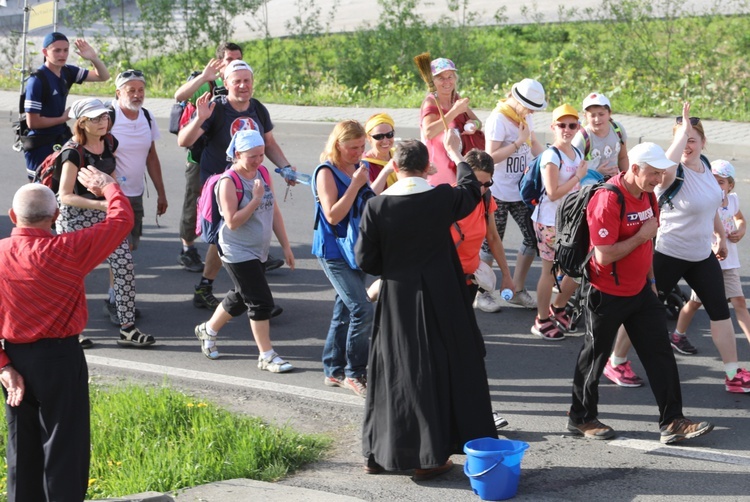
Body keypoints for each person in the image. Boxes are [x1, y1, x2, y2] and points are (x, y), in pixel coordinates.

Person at [356, 136, 496, 478]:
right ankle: (429, 457)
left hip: (397, 298)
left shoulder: (376, 207)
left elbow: (366, 260)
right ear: (425, 167)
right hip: (441, 295)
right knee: (438, 370)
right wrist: (454, 152)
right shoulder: (441, 198)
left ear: (395, 166)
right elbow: (470, 187)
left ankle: (378, 454)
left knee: (394, 372)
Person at [568, 142, 715, 444]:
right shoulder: (607, 200)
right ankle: (581, 418)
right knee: (594, 358)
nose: (658, 180)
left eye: (661, 173)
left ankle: (672, 420)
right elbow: (603, 256)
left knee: (661, 356)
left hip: (641, 291)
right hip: (605, 293)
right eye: (653, 173)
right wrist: (640, 235)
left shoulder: (648, 195)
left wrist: (651, 282)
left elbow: (649, 243)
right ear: (634, 169)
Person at [0, 168, 133, 501]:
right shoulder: (69, 250)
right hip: (61, 357)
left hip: (15, 357)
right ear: (56, 215)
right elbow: (121, 222)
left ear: (13, 215)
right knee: (64, 448)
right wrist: (110, 188)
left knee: (21, 447)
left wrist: (4, 366)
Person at [178, 59, 294, 311]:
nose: (243, 86)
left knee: (247, 232)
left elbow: (269, 143)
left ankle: (244, 291)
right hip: (223, 183)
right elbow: (184, 141)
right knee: (225, 237)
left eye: (247, 81)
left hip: (252, 178)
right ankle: (230, 290)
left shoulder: (258, 109)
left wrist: (285, 166)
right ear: (227, 83)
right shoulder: (216, 108)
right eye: (237, 81)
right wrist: (199, 119)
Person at [655, 103, 750, 393]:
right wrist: (681, 134)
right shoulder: (671, 172)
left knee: (720, 312)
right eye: (682, 139)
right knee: (642, 309)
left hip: (700, 255)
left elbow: (712, 206)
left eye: (692, 139)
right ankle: (617, 360)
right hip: (669, 253)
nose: (687, 145)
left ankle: (733, 374)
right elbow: (667, 164)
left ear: (703, 142)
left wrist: (720, 236)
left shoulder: (706, 166)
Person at [56, 98, 155, 348]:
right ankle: (72, 329)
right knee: (74, 276)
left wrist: (112, 193)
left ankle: (128, 329)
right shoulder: (72, 152)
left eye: (105, 117)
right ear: (82, 123)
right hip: (74, 217)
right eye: (96, 118)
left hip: (104, 214)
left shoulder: (109, 141)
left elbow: (109, 173)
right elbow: (64, 195)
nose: (104, 121)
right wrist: (103, 203)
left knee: (124, 265)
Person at [194, 130, 295, 371]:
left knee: (240, 297)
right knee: (260, 302)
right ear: (237, 154)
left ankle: (207, 330)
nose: (259, 160)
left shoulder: (262, 172)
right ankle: (266, 355)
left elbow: (275, 212)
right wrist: (255, 200)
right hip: (236, 250)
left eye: (261, 154)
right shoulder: (228, 182)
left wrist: (286, 246)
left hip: (258, 249)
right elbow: (232, 222)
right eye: (253, 156)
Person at [312, 120, 374, 398]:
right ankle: (354, 372)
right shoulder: (326, 172)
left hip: (356, 250)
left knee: (345, 310)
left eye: (362, 146)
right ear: (338, 144)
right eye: (352, 147)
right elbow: (332, 215)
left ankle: (333, 370)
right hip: (334, 251)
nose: (358, 152)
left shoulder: (358, 168)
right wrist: (356, 184)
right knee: (362, 309)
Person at [104, 69, 167, 324]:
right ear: (118, 93)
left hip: (136, 195)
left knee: (128, 248)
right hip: (111, 196)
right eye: (131, 90)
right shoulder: (108, 117)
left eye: (141, 90)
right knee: (119, 250)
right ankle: (114, 299)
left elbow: (151, 157)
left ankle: (118, 296)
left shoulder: (147, 117)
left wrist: (161, 192)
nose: (137, 94)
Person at [174, 42, 243, 274]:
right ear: (219, 62)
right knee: (195, 199)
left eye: (237, 58)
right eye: (229, 59)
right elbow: (179, 96)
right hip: (200, 154)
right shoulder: (207, 82)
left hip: (230, 158)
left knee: (236, 199)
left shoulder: (239, 81)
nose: (234, 62)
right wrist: (204, 77)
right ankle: (188, 248)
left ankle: (240, 247)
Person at [480, 78, 547, 312]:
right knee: (490, 243)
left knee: (533, 238)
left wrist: (551, 160)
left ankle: (517, 291)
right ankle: (484, 293)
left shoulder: (524, 116)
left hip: (521, 191)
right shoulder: (498, 119)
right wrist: (518, 142)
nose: (531, 112)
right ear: (516, 99)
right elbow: (490, 157)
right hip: (497, 192)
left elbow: (535, 143)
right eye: (529, 107)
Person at [673, 159, 750, 356]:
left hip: (730, 261)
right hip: (707, 262)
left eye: (721, 182)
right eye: (713, 180)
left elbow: (740, 218)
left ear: (730, 185)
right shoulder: (706, 201)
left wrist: (740, 230)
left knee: (740, 302)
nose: (716, 185)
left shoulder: (732, 201)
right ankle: (678, 335)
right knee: (695, 303)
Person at [530, 104, 588, 340]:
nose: (567, 129)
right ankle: (542, 320)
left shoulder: (577, 152)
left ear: (578, 127)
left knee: (576, 267)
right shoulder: (551, 155)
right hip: (548, 221)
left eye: (572, 125)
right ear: (553, 127)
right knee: (549, 270)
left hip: (569, 221)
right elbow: (553, 193)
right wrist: (578, 177)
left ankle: (559, 307)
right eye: (561, 125)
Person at [22, 32, 109, 179]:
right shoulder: (37, 80)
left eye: (65, 50)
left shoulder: (68, 71)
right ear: (45, 52)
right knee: (43, 190)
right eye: (57, 50)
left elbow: (103, 76)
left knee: (67, 185)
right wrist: (62, 118)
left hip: (61, 138)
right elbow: (33, 122)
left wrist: (93, 58)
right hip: (40, 143)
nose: (62, 54)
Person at [420, 57, 482, 187]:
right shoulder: (430, 102)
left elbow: (478, 122)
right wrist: (454, 111)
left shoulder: (456, 98)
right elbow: (428, 133)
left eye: (450, 76)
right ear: (432, 81)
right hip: (438, 174)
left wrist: (473, 126)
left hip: (459, 167)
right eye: (441, 78)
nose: (447, 81)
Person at [572, 93, 628, 178]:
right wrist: (597, 172)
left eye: (601, 114)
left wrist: (627, 179)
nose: (597, 119)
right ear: (586, 117)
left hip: (614, 183)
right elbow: (573, 170)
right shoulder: (582, 138)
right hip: (591, 186)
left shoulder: (618, 129)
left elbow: (622, 157)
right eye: (592, 115)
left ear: (609, 113)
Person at [362, 112, 398, 193]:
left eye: (389, 134)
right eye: (378, 137)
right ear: (369, 138)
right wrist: (385, 172)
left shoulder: (398, 154)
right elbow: (370, 196)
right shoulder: (364, 164)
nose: (385, 141)